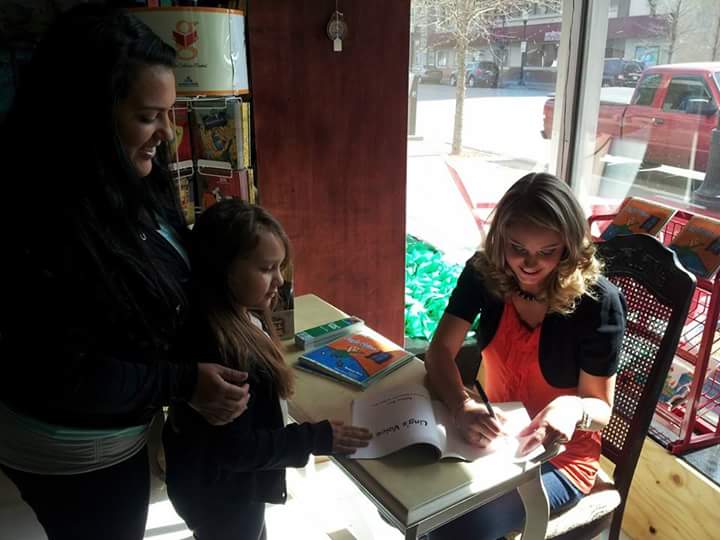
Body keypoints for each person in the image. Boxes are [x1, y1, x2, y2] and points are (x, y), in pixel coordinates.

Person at [0, 6, 249, 540]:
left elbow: (161, 260)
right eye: (148, 116)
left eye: (169, 114)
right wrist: (183, 382)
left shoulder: (134, 172)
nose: (168, 134)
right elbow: (64, 374)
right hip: (76, 451)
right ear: (86, 117)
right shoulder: (36, 221)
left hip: (125, 423)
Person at [424, 172, 626, 539]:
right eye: (517, 248)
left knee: (455, 527)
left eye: (547, 252)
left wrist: (572, 408)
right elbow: (439, 351)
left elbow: (600, 410)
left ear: (569, 247)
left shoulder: (598, 302)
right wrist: (460, 405)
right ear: (500, 239)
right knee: (420, 500)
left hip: (560, 458)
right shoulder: (484, 272)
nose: (529, 264)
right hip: (493, 438)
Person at [162, 199, 373, 540]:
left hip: (227, 487)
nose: (280, 280)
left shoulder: (239, 316)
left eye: (280, 267)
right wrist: (316, 437)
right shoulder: (217, 347)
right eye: (266, 269)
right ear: (223, 269)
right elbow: (237, 450)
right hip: (221, 497)